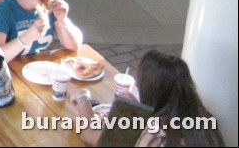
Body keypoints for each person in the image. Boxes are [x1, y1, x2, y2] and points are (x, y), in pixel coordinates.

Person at [76, 50, 225, 147]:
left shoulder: (155, 135)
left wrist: (83, 97)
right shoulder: (205, 120)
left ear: (152, 93)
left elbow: (90, 135)